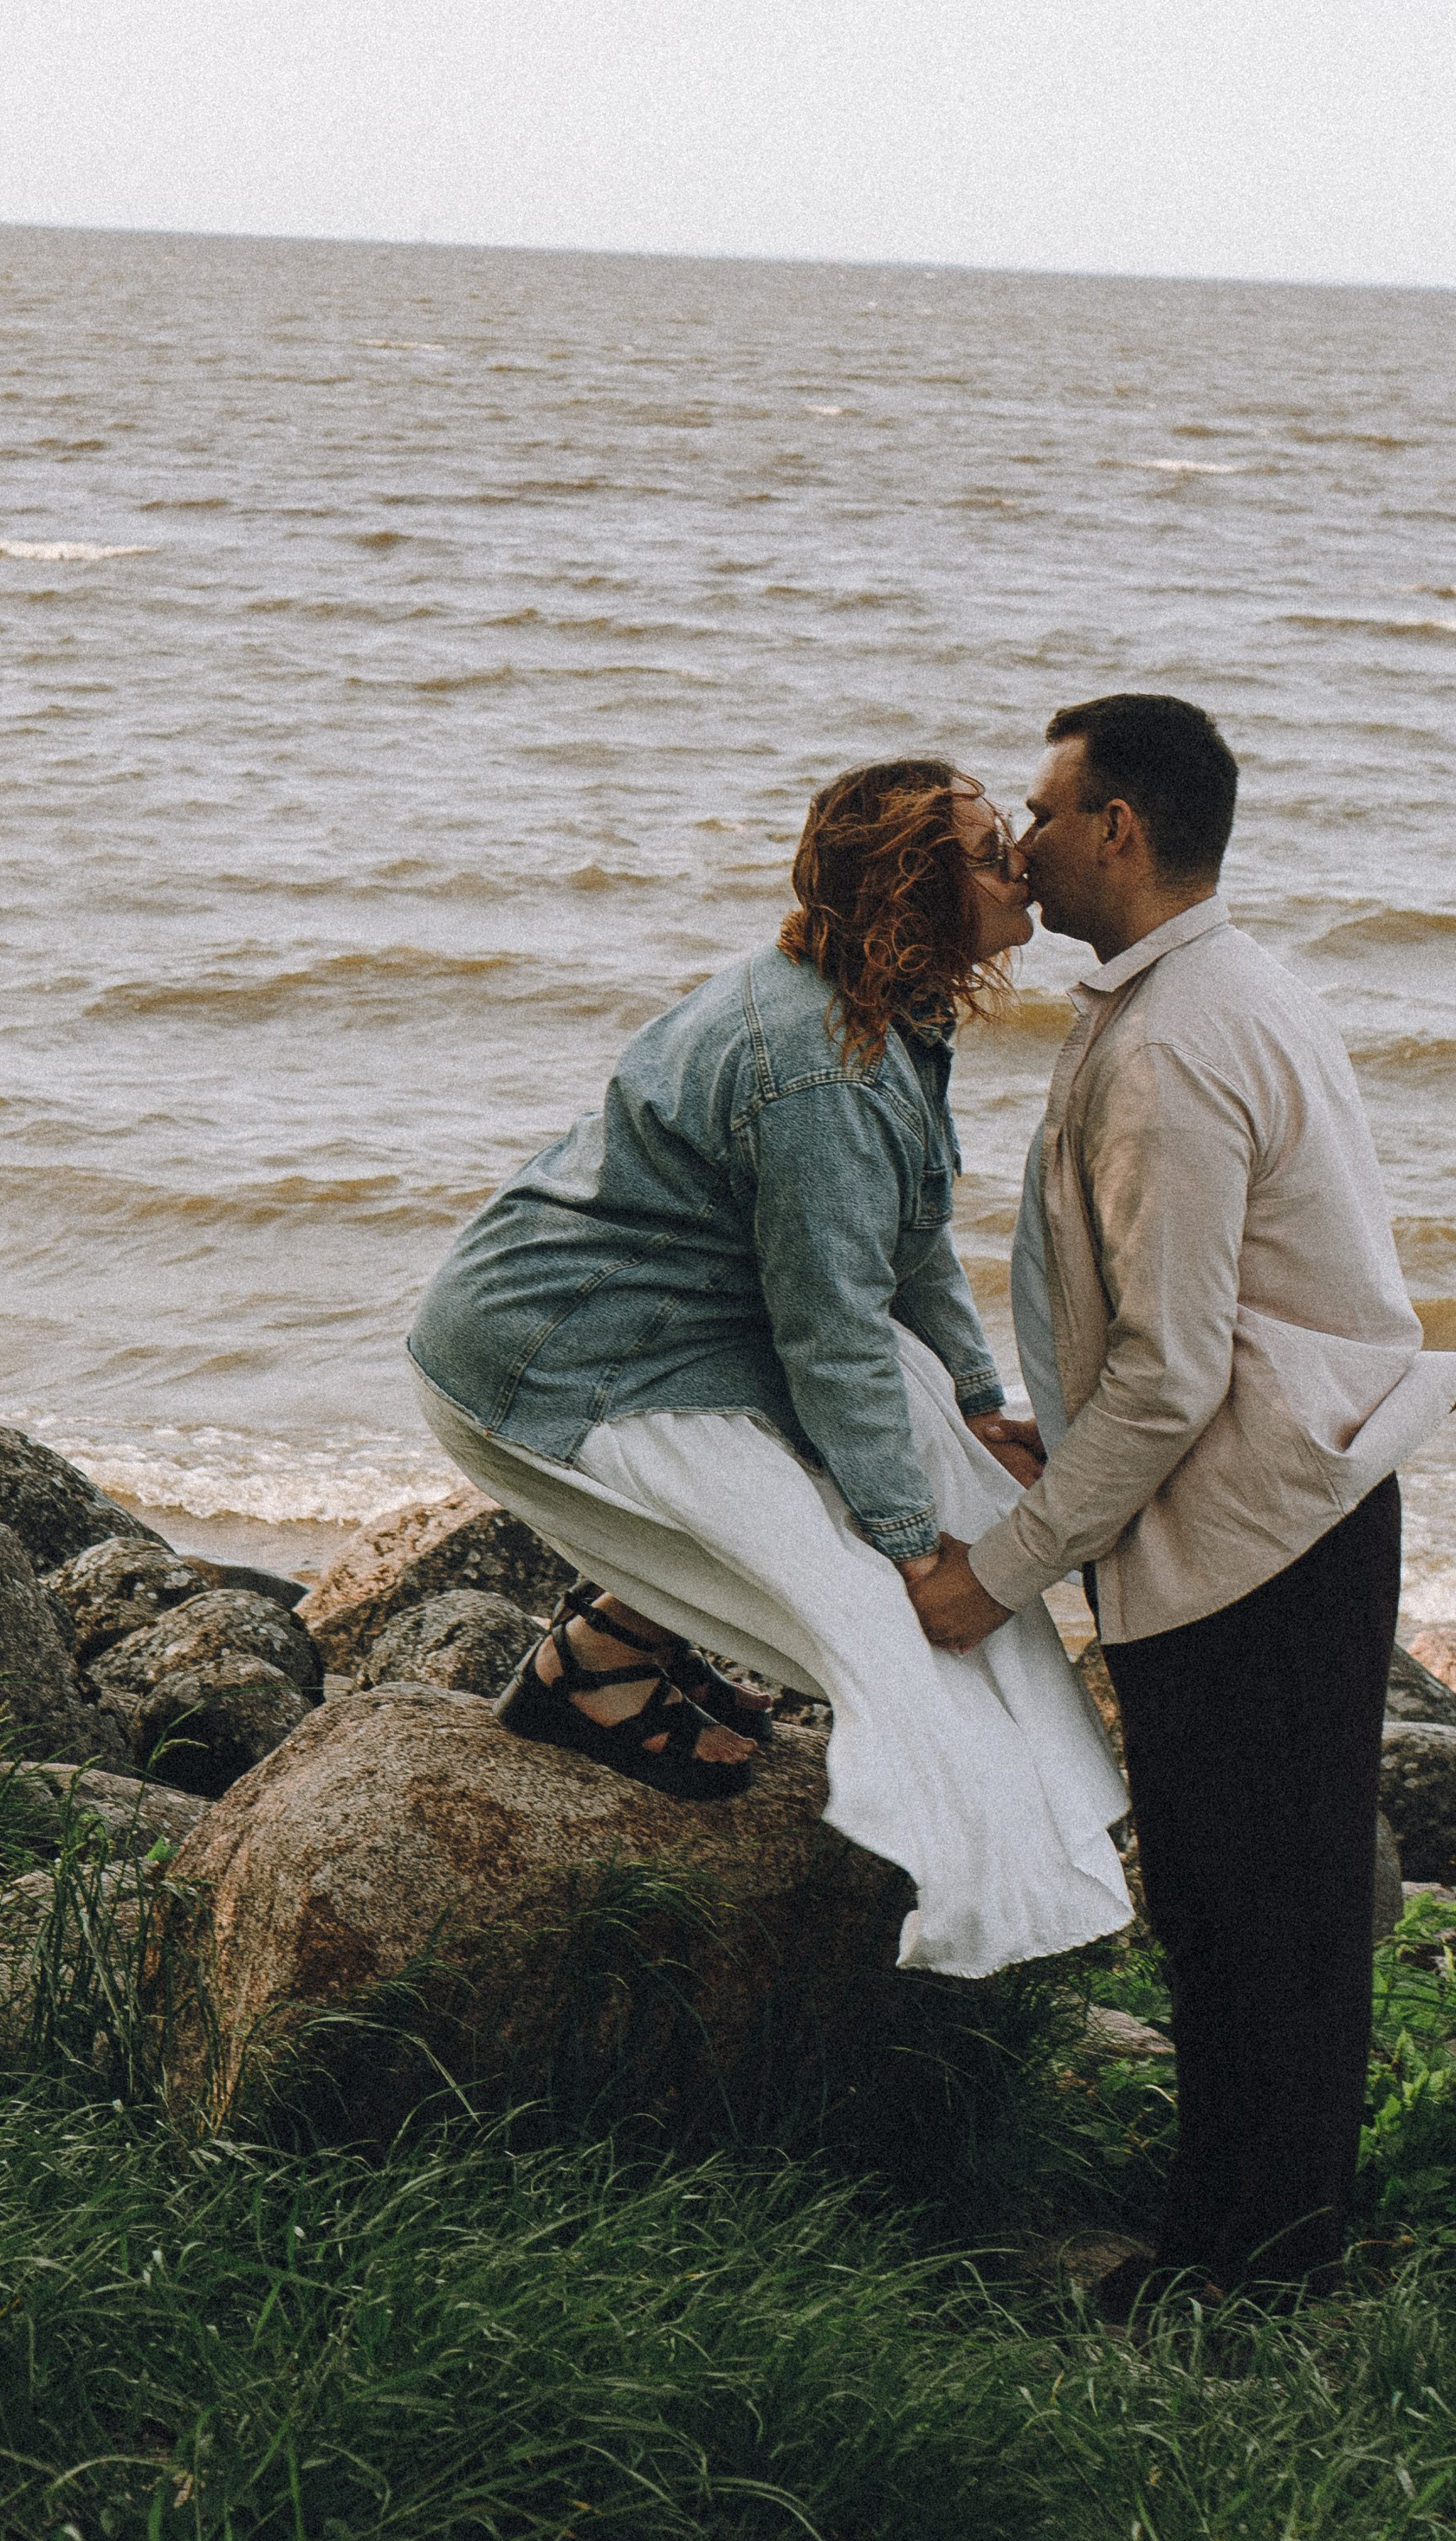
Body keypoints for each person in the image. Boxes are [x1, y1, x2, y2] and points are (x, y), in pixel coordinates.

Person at [908, 694, 1456, 2305]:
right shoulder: (1227, 985)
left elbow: (1173, 1375)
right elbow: (1191, 1332)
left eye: (1042, 810)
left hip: (1253, 1532)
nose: (1021, 841)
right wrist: (1057, 1428)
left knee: (1254, 1918)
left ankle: (1259, 2274)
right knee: (1259, 1909)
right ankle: (1242, 2242)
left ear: (1119, 828)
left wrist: (1000, 1571)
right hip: (1286, 1501)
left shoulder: (1171, 1042)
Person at [407, 757, 1130, 1979]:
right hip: (561, 1352)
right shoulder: (820, 1070)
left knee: (939, 1472)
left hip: (676, 1323)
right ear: (913, 893)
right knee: (880, 1622)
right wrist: (911, 1549)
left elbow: (908, 1242)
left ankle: (614, 1644)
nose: (1017, 860)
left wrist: (974, 1403)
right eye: (986, 847)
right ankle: (975, 1909)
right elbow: (833, 1334)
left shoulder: (884, 1009)